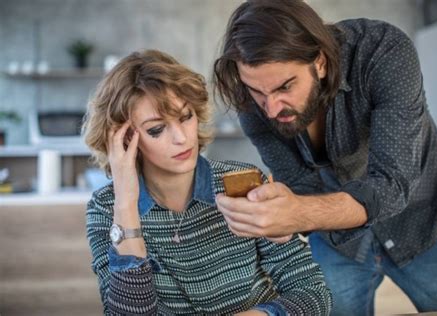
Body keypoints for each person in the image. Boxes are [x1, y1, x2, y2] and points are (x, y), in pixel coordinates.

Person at [212, 1, 437, 315]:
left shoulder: (383, 51)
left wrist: (299, 214)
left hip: (421, 221)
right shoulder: (251, 102)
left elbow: (392, 184)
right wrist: (279, 218)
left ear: (320, 62)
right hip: (337, 241)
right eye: (257, 91)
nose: (270, 109)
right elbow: (299, 184)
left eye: (285, 86)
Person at [83, 49, 332, 315]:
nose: (181, 138)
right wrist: (125, 205)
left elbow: (313, 293)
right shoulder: (106, 209)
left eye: (185, 117)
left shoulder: (242, 183)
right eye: (157, 129)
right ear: (123, 141)